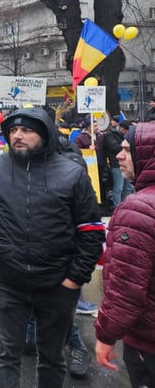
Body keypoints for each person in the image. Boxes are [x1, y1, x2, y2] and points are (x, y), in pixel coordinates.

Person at [0, 107, 104, 387]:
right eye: (13, 130)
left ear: (45, 134)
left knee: (52, 358)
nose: (17, 135)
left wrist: (74, 278)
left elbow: (90, 230)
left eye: (26, 130)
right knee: (6, 355)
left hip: (58, 284)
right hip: (6, 281)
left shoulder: (72, 173)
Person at [95, 122, 155, 386]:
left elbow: (126, 289)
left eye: (128, 150)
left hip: (148, 345)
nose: (119, 155)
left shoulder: (138, 209)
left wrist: (106, 335)